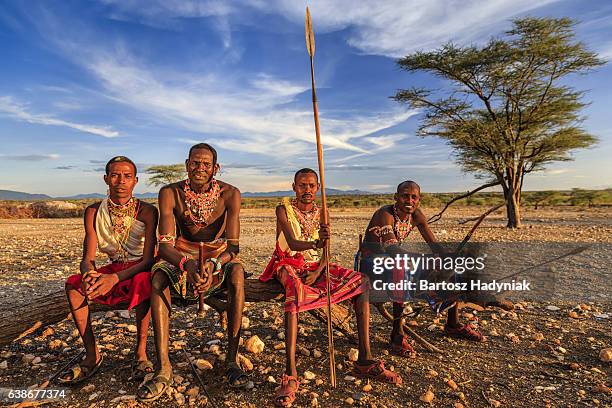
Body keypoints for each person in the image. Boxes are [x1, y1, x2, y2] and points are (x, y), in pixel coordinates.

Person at [260, 168, 402, 408]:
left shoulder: (323, 210)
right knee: (295, 291)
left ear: (317, 188)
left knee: (361, 281)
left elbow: (326, 252)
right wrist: (316, 241)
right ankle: (291, 373)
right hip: (287, 263)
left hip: (316, 264)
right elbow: (293, 243)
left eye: (312, 186)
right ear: (294, 187)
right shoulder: (282, 210)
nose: (307, 190)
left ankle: (365, 359)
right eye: (302, 185)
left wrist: (318, 271)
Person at [137, 143, 247, 402]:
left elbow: (233, 246)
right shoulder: (170, 193)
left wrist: (214, 265)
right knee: (159, 277)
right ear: (187, 165)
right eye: (195, 163)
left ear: (215, 168)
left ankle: (231, 360)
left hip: (218, 256)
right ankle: (164, 367)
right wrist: (188, 264)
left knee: (238, 275)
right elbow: (164, 245)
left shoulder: (230, 194)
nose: (200, 168)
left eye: (206, 164)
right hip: (181, 254)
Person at [361, 180, 495, 351]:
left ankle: (452, 324)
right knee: (401, 268)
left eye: (413, 197)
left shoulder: (416, 215)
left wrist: (449, 257)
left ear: (419, 200)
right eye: (405, 196)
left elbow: (434, 245)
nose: (409, 201)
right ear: (396, 197)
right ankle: (397, 335)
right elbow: (393, 250)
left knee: (450, 266)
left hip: (391, 260)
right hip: (370, 262)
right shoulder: (385, 214)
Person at [60, 156, 158, 384]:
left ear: (136, 181)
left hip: (139, 268)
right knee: (74, 286)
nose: (120, 181)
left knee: (146, 280)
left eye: (127, 176)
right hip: (115, 265)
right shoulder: (94, 212)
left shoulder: (147, 211)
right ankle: (92, 354)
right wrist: (89, 275)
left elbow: (148, 259)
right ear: (106, 179)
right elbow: (88, 258)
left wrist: (113, 278)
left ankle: (141, 352)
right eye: (115, 175)